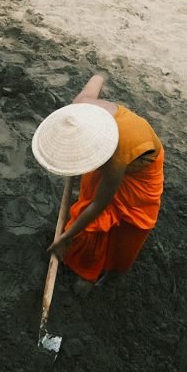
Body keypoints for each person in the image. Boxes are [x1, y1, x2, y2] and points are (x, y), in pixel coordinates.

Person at [39, 72, 166, 284]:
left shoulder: (116, 157)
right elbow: (97, 79)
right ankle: (85, 262)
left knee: (111, 228)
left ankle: (102, 274)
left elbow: (99, 205)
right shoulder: (81, 106)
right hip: (119, 152)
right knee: (85, 205)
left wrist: (65, 238)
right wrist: (100, 75)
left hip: (137, 171)